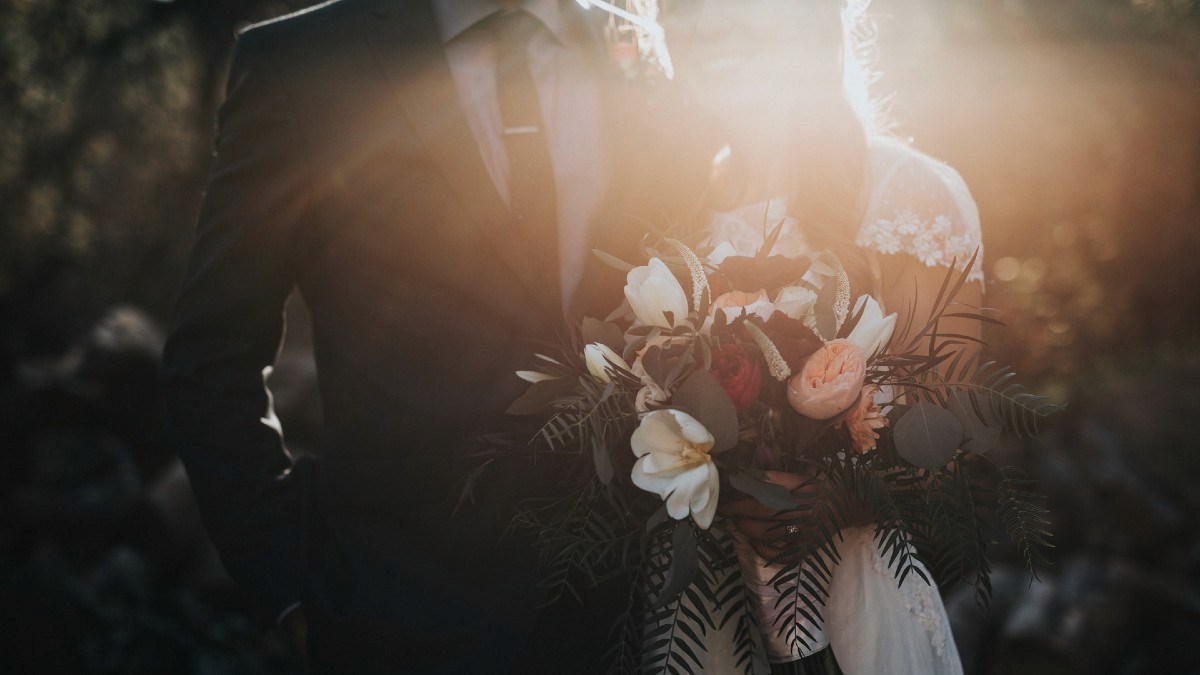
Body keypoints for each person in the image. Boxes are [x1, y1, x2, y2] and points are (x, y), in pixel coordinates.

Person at [160, 0, 649, 672]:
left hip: (630, 616)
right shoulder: (302, 67)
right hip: (397, 618)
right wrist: (294, 583)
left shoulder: (637, 52)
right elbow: (210, 355)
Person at [655, 0, 985, 672]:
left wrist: (823, 503)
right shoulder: (668, 219)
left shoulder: (905, 193)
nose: (705, 21)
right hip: (704, 624)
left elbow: (945, 438)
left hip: (860, 616)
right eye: (678, 4)